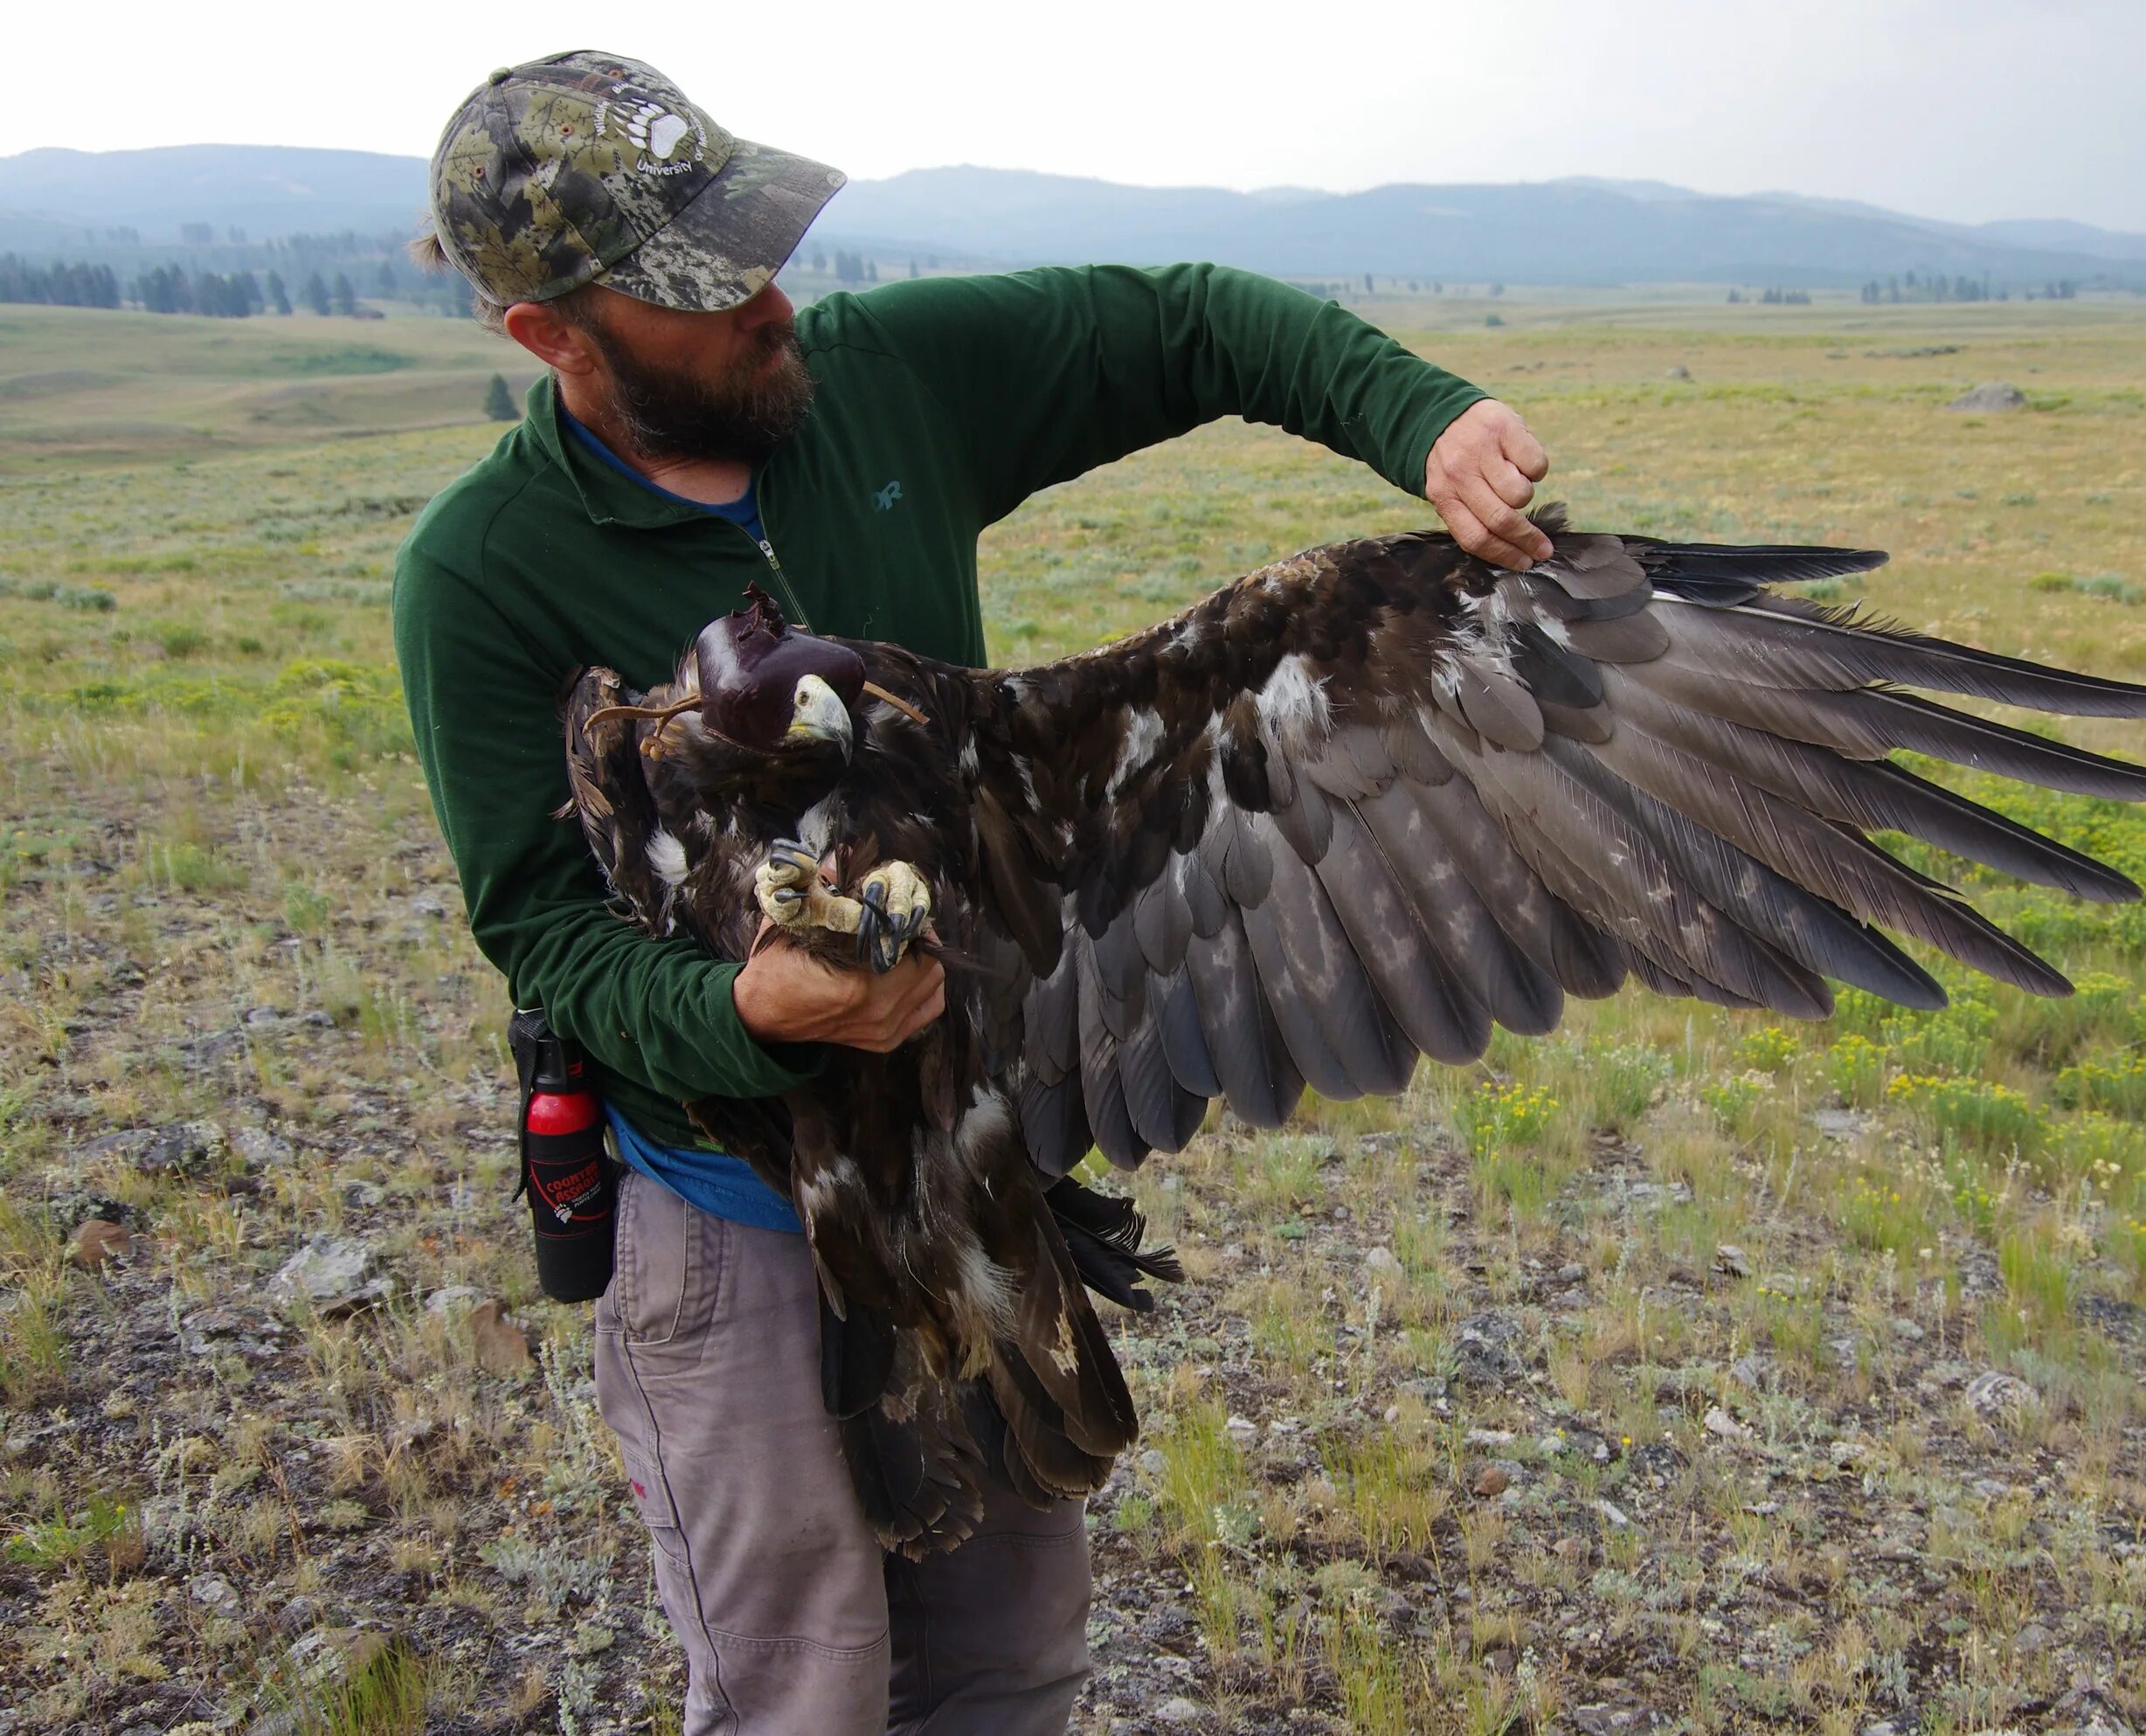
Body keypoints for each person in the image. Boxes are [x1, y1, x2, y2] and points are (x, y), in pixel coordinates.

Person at [395, 49, 1551, 1735]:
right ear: (554, 337)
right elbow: (542, 934)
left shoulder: (880, 381)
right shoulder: (479, 577)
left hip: (967, 1172)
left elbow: (1186, 320)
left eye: (763, 247)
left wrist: (1421, 419)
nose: (770, 300)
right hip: (722, 1210)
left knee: (1011, 1670)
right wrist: (741, 1017)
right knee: (802, 1690)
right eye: (706, 288)